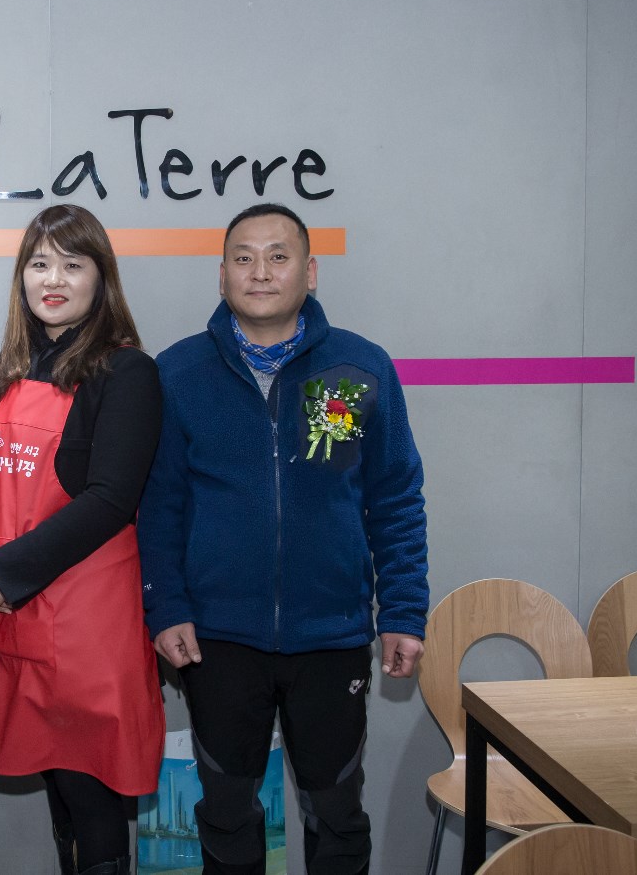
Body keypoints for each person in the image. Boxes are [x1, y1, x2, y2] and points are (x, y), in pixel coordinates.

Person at [138, 202, 428, 875]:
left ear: (310, 271)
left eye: (278, 256)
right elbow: (160, 507)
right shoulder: (177, 373)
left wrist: (404, 612)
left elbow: (395, 500)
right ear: (222, 275)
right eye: (243, 258)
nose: (260, 272)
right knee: (226, 813)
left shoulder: (359, 368)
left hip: (332, 634)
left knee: (337, 814)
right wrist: (166, 606)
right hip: (217, 640)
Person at [0, 204, 166, 875]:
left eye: (73, 265)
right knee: (60, 798)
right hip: (9, 616)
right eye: (39, 264)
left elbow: (111, 500)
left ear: (102, 279)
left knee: (91, 796)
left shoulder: (126, 373)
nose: (53, 280)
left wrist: (1, 574)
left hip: (83, 627)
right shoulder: (7, 370)